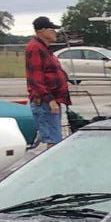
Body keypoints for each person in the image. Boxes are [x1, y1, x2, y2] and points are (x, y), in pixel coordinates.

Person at [25, 16, 73, 146]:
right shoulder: (35, 48)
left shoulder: (44, 48)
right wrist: (49, 99)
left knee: (55, 138)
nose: (55, 32)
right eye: (52, 29)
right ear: (42, 31)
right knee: (53, 141)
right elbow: (36, 78)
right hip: (45, 103)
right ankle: (52, 165)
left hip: (53, 101)